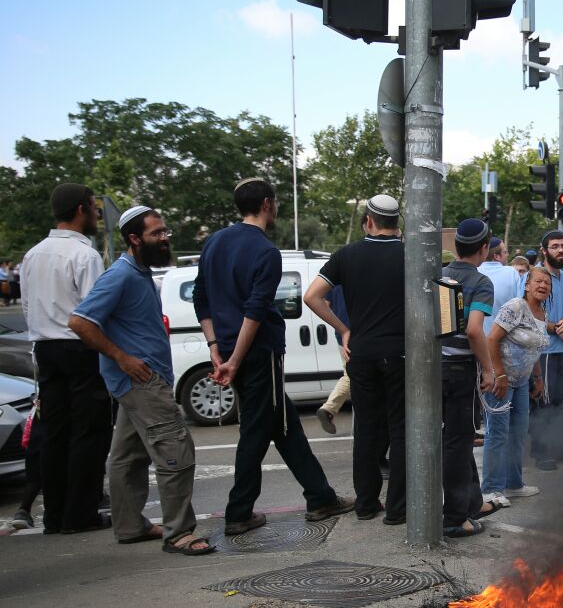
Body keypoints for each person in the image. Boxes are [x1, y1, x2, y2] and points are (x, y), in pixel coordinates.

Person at [193, 179, 353, 536]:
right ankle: (239, 511)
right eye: (276, 202)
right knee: (256, 428)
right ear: (267, 204)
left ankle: (320, 495)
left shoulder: (214, 243)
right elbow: (255, 310)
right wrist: (235, 357)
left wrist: (216, 348)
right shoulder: (265, 251)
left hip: (231, 348)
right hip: (258, 351)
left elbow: (201, 299)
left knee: (282, 423)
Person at [69, 206, 213, 555]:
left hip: (138, 380)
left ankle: (130, 525)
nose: (164, 239)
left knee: (127, 457)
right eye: (156, 234)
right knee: (175, 450)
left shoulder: (139, 271)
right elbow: (80, 322)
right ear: (134, 239)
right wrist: (123, 358)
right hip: (142, 380)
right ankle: (179, 533)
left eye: (165, 232)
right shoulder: (120, 275)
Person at [305, 194, 406, 525]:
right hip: (399, 352)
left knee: (366, 429)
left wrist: (344, 329)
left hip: (360, 354)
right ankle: (398, 509)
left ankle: (365, 504)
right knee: (400, 429)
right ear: (397, 224)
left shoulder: (346, 255)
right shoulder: (410, 255)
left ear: (369, 222)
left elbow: (312, 296)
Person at [20, 183, 113, 534]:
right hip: (78, 347)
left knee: (55, 434)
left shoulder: (33, 254)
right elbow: (95, 309)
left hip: (45, 347)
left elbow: (28, 305)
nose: (95, 213)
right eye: (92, 206)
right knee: (89, 433)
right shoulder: (85, 255)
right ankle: (81, 514)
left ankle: (55, 514)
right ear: (79, 210)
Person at [440, 218, 501, 537]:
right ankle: (454, 517)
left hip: (433, 367)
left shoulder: (441, 274)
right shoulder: (480, 282)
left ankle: (471, 502)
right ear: (484, 248)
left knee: (457, 439)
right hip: (460, 369)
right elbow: (475, 329)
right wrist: (489, 369)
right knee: (457, 443)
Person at [481, 267, 550, 507]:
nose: (543, 286)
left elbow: (535, 348)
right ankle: (491, 489)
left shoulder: (542, 312)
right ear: (527, 285)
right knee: (497, 434)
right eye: (538, 281)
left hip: (522, 382)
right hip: (501, 381)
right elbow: (491, 339)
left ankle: (513, 484)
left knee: (518, 432)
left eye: (547, 283)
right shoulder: (515, 306)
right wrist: (498, 375)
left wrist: (538, 378)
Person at [524, 230, 563, 470]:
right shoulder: (536, 277)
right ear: (544, 250)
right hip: (543, 352)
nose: (560, 250)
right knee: (542, 401)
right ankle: (541, 452)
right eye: (555, 246)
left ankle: (561, 447)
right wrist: (555, 327)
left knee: (562, 401)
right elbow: (527, 314)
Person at [315, 284, 350, 434]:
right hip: (355, 334)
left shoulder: (333, 278)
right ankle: (328, 409)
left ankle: (329, 410)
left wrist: (339, 326)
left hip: (341, 335)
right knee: (352, 376)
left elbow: (325, 304)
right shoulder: (354, 271)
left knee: (351, 374)